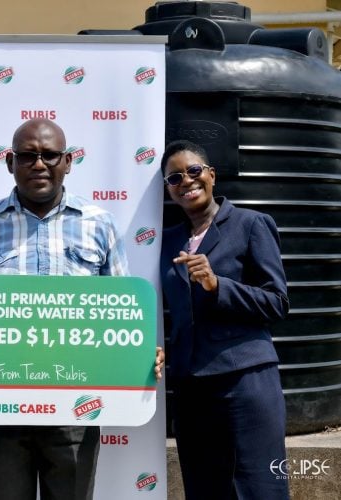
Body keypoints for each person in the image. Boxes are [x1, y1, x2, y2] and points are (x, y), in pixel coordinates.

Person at [0, 118, 164, 500]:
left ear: (68, 161)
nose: (39, 164)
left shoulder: (101, 225)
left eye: (49, 155)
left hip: (77, 409)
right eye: (27, 156)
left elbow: (121, 311)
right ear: (10, 163)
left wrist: (141, 356)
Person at [160, 140, 290, 499]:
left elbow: (277, 303)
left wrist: (218, 285)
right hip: (191, 389)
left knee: (260, 489)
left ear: (212, 176)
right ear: (169, 190)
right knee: (205, 490)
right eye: (174, 177)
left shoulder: (251, 224)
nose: (186, 180)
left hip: (245, 383)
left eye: (194, 171)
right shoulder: (167, 242)